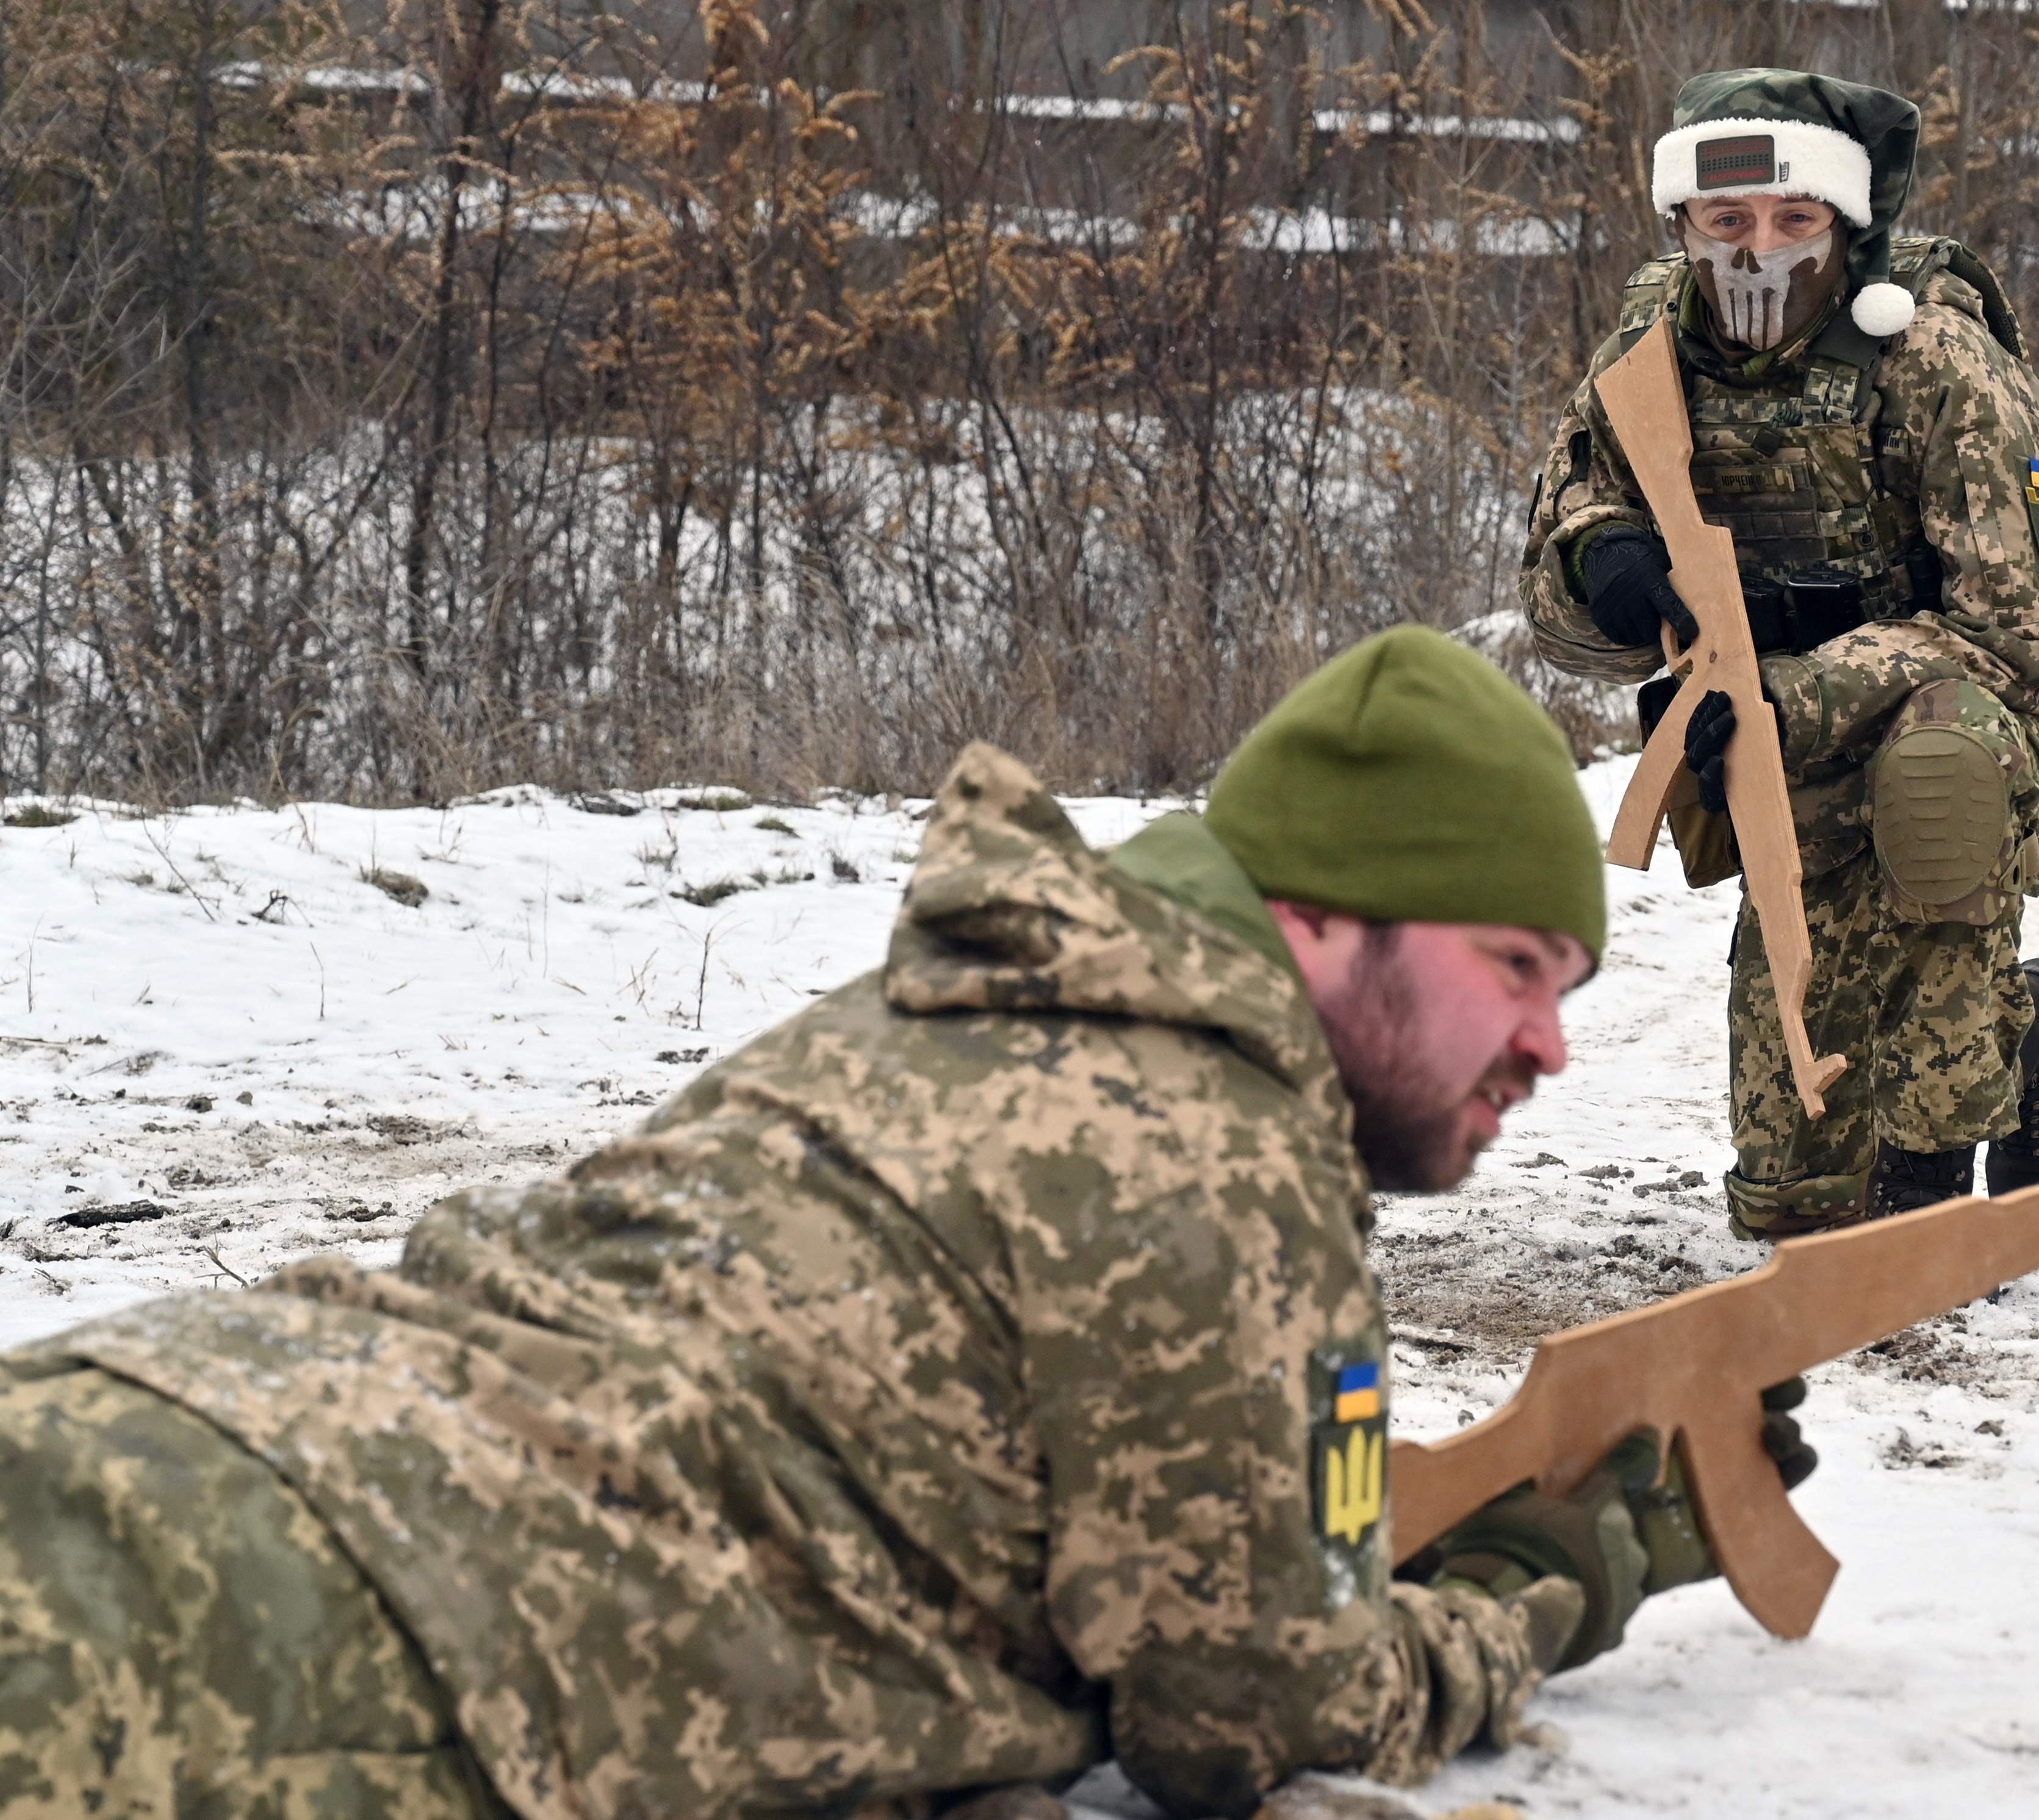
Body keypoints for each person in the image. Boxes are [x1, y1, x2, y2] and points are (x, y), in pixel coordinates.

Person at [0, 628, 1809, 1820]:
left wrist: (1333, 1534)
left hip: (176, 1416)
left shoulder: (932, 1013)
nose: (1547, 1044)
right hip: (332, 1649)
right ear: (1323, 914)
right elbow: (1248, 1711)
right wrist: (1531, 1589)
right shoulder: (1223, 1155)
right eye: (1515, 966)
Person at [1519, 68, 2039, 1239]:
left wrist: (1793, 695)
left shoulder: (1934, 357)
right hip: (1784, 765)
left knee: (1935, 777)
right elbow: (1558, 592)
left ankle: (1933, 1173)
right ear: (1681, 222)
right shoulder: (1647, 356)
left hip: (1983, 744)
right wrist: (1605, 561)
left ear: (1844, 224)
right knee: (1790, 1206)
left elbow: (2027, 643)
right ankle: (2031, 1033)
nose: (1758, 249)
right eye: (1726, 218)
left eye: (1795, 218)